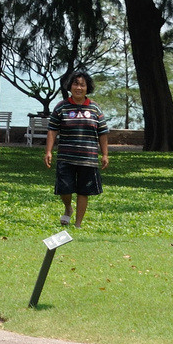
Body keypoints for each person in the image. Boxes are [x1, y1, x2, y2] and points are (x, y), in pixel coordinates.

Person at [44, 70, 109, 229]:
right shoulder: (61, 107)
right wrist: (48, 151)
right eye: (75, 84)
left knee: (83, 191)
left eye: (82, 85)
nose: (78, 88)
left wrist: (105, 154)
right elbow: (52, 130)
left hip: (88, 158)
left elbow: (102, 132)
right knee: (64, 189)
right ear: (70, 86)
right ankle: (68, 208)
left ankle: (78, 224)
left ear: (87, 88)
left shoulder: (95, 108)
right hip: (66, 157)